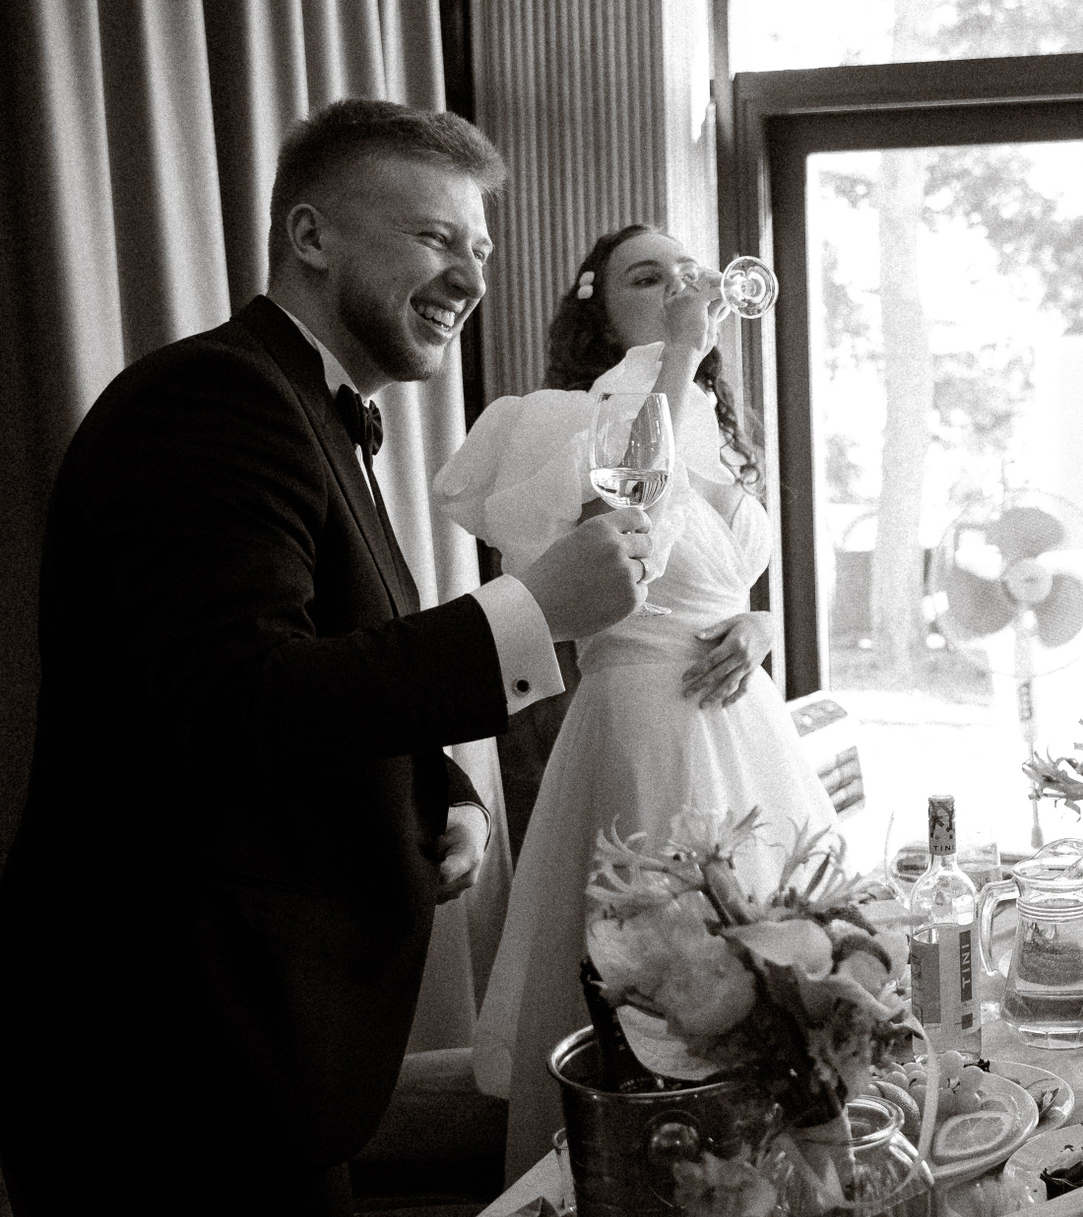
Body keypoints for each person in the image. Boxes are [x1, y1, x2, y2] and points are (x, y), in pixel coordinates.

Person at [0, 100, 653, 1217]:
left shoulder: (311, 406)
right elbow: (236, 696)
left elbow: (318, 663)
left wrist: (441, 791)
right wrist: (531, 611)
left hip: (246, 1060)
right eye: (435, 237)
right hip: (168, 1068)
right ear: (310, 236)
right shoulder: (216, 399)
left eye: (481, 249)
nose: (469, 277)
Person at [433, 223, 838, 1178]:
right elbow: (628, 531)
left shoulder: (711, 427)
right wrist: (682, 355)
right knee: (669, 988)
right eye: (646, 278)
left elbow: (717, 580)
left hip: (746, 726)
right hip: (644, 728)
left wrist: (759, 625)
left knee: (784, 973)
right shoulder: (559, 422)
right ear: (599, 313)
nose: (677, 290)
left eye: (683, 274)